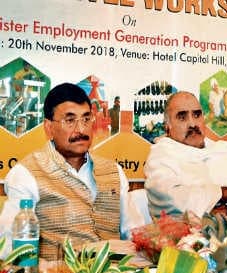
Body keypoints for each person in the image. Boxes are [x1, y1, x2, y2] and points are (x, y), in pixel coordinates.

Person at [0, 83, 143, 260]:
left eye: (86, 119)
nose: (81, 129)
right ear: (49, 128)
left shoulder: (114, 171)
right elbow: (9, 248)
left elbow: (135, 232)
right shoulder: (26, 174)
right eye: (70, 120)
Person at [144, 91, 227, 236]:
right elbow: (171, 200)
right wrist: (225, 193)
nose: (192, 123)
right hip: (186, 245)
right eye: (182, 117)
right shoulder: (161, 156)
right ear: (167, 126)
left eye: (197, 115)